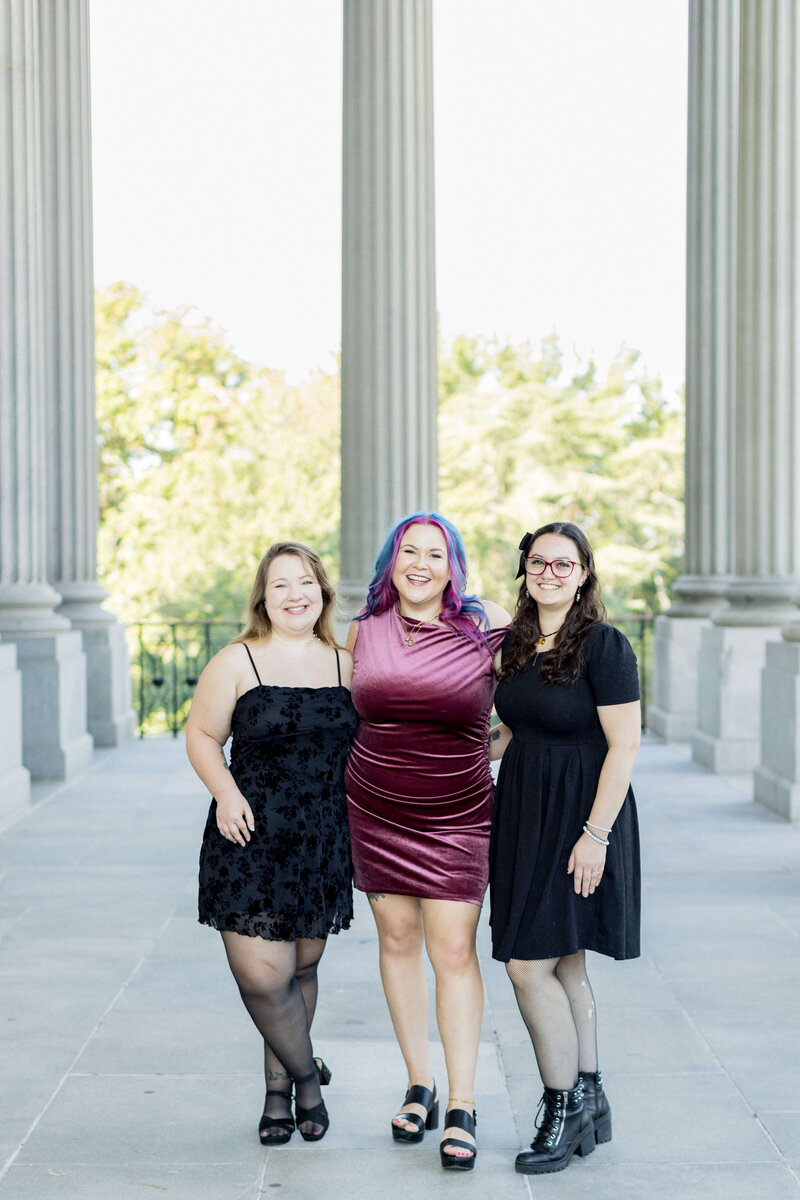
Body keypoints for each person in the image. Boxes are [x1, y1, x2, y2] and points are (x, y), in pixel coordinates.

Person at [345, 512, 510, 1171]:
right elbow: (340, 713)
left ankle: (463, 1103)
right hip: (375, 808)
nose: (420, 563)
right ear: (391, 561)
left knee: (453, 950)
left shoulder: (486, 626)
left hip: (459, 815)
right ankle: (420, 1083)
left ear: (453, 567)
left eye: (434, 554)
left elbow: (526, 707)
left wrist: (495, 751)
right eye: (408, 551)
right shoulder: (362, 629)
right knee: (396, 942)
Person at [186, 542, 357, 1146]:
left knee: (300, 969)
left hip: (322, 838)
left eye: (305, 582)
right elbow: (202, 734)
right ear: (263, 596)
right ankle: (309, 1077)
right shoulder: (238, 660)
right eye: (280, 584)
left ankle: (278, 1095)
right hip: (250, 836)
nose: (295, 595)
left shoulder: (347, 663)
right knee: (263, 977)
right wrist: (225, 793)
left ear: (323, 593)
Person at [488, 521, 641, 1175]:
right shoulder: (516, 643)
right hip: (525, 812)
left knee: (528, 967)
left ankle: (563, 1107)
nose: (549, 573)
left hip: (582, 815)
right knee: (565, 964)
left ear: (583, 576)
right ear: (525, 570)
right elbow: (514, 730)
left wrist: (595, 835)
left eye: (564, 564)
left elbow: (625, 745)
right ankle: (592, 1093)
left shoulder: (605, 645)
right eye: (538, 562)